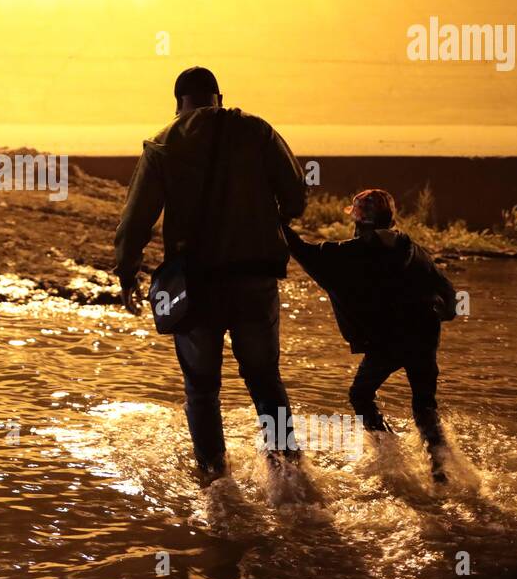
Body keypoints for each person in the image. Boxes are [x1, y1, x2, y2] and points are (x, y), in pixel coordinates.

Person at [114, 67, 307, 484]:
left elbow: (136, 220)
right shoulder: (256, 131)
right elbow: (295, 194)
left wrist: (126, 272)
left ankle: (215, 480)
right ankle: (290, 474)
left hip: (195, 285)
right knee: (265, 381)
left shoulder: (163, 144)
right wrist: (273, 218)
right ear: (219, 96)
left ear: (178, 102)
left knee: (202, 389)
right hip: (255, 279)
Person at [283, 189, 456, 482]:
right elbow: (448, 295)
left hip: (386, 342)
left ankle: (389, 450)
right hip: (424, 336)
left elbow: (301, 250)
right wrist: (442, 311)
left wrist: (273, 219)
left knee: (360, 395)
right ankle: (441, 470)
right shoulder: (412, 248)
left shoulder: (346, 255)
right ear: (391, 219)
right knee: (424, 404)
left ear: (358, 220)